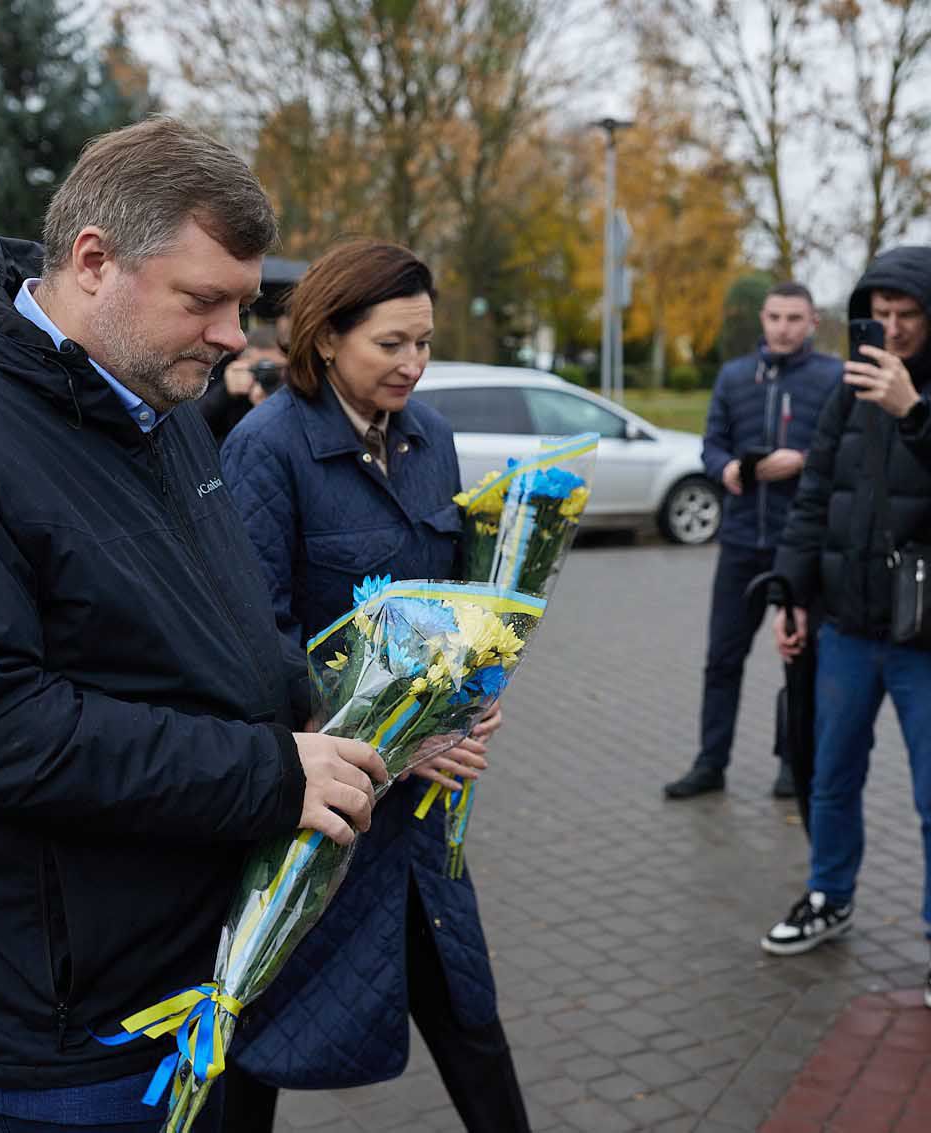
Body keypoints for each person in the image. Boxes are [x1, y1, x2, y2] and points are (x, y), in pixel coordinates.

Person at [0, 117, 387, 1132]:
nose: (232, 336)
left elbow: (197, 634)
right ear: (92, 261)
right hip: (57, 1024)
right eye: (204, 300)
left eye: (243, 304)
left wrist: (364, 720)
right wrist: (269, 773)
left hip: (181, 974)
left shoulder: (146, 402)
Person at [219, 240, 530, 1132]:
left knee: (467, 1009)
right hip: (322, 805)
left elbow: (457, 603)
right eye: (390, 344)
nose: (413, 364)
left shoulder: (430, 439)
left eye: (424, 342)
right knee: (258, 1024)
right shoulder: (264, 450)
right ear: (324, 338)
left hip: (422, 817)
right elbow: (257, 646)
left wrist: (479, 688)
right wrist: (396, 740)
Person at [759, 246, 931, 1012]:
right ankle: (828, 894)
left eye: (911, 316)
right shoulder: (850, 387)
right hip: (846, 624)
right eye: (883, 315)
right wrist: (792, 592)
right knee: (831, 776)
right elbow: (817, 496)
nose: (896, 330)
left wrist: (915, 408)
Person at [663, 282, 841, 805]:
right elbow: (711, 445)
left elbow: (845, 451)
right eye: (774, 317)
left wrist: (802, 460)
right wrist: (729, 470)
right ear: (762, 320)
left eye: (794, 318)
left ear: (812, 322)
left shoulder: (832, 378)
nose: (783, 327)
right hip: (741, 542)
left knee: (799, 658)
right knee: (722, 658)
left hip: (801, 545)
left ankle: (793, 763)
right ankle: (710, 763)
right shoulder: (735, 376)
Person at [200, 323, 288, 447]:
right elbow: (193, 426)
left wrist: (269, 407)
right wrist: (225, 391)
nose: (269, 376)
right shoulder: (218, 377)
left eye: (277, 368)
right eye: (261, 368)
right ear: (241, 361)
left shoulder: (295, 387)